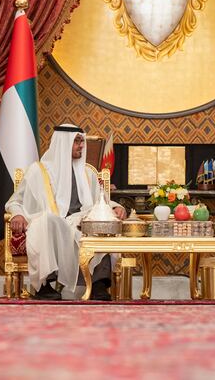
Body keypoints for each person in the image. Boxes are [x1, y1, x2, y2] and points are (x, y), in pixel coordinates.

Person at [7, 124, 126, 300]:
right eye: (77, 141)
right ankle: (44, 286)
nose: (82, 146)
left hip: (81, 225)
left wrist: (116, 206)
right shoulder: (38, 171)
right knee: (48, 221)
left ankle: (99, 286)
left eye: (82, 141)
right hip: (53, 224)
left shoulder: (88, 173)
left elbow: (101, 201)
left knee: (101, 228)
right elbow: (15, 201)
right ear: (63, 143)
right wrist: (18, 214)